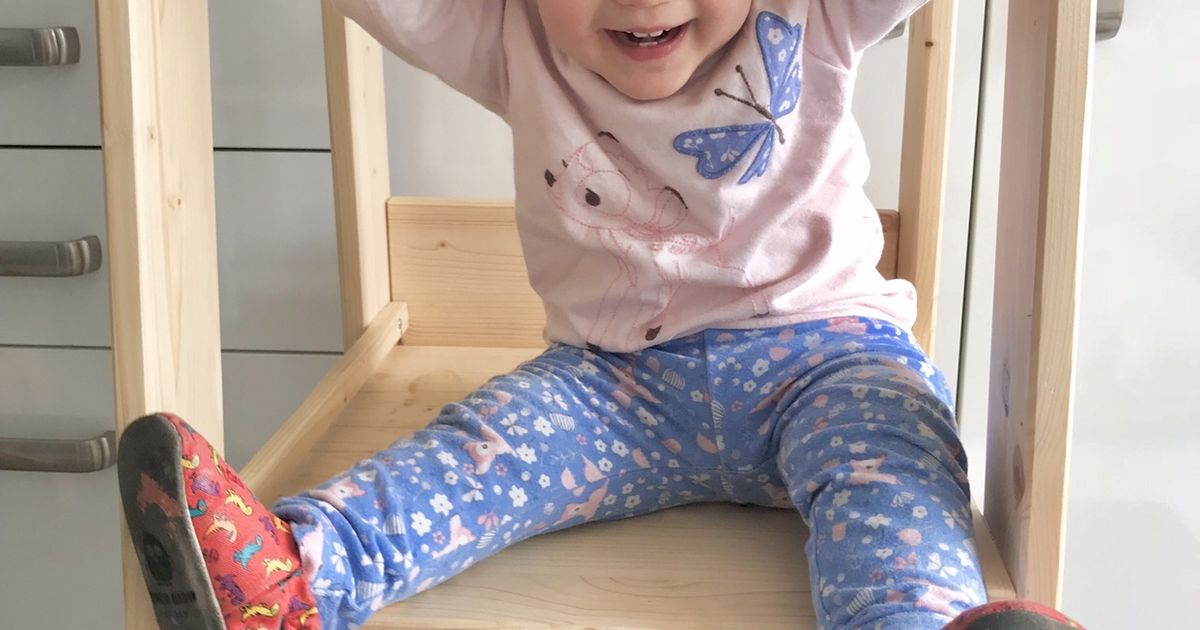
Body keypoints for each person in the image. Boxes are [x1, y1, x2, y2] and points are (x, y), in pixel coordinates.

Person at [118, 1, 1086, 628]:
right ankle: (294, 577)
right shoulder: (511, 35)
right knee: (481, 449)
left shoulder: (815, 12)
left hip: (828, 356)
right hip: (614, 383)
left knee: (895, 466)